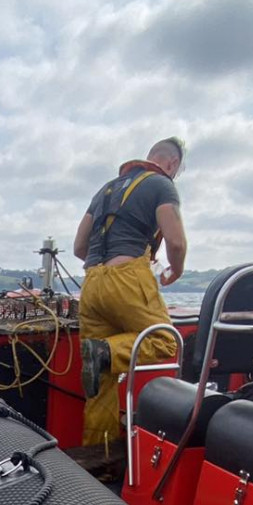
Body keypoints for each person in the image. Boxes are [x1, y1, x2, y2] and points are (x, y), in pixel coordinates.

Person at [73, 137, 188, 446]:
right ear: (172, 164)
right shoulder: (162, 185)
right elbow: (175, 242)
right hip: (127, 277)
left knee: (102, 382)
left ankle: (101, 455)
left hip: (92, 282)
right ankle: (105, 352)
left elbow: (79, 246)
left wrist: (104, 271)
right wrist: (174, 269)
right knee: (164, 341)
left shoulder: (104, 190)